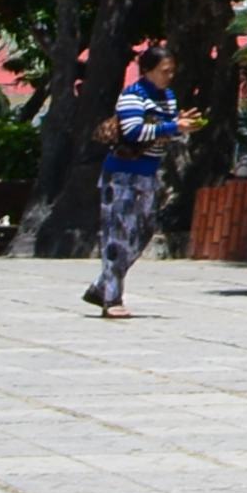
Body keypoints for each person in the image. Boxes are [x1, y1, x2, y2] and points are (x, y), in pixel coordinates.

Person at [84, 41, 185, 317]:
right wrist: (173, 126)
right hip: (122, 173)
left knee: (144, 230)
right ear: (148, 70)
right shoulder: (133, 96)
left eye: (172, 70)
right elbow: (133, 131)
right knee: (119, 233)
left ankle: (101, 285)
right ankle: (112, 299)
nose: (169, 76)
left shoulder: (169, 97)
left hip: (149, 172)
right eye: (164, 71)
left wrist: (180, 126)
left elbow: (164, 132)